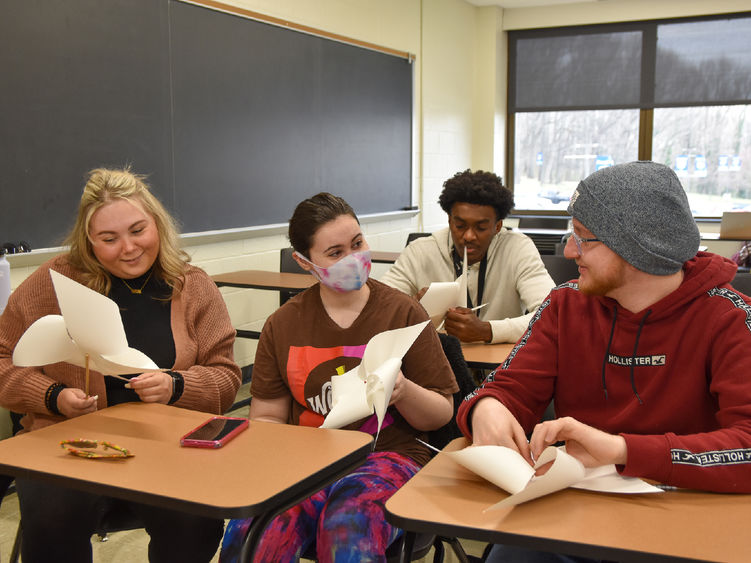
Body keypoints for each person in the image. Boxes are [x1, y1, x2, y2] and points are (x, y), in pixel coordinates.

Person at [456, 161, 751, 562]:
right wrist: (486, 409)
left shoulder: (730, 319)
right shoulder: (565, 305)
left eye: (584, 238)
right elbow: (508, 388)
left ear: (639, 248)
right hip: (572, 511)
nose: (569, 250)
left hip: (686, 516)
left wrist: (622, 450)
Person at [0, 167, 242, 563]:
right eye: (108, 239)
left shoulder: (193, 286)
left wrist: (175, 386)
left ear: (158, 225)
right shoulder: (52, 281)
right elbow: (2, 359)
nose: (128, 248)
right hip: (69, 444)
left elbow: (227, 378)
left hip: (168, 444)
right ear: (88, 240)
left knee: (193, 520)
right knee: (52, 515)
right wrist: (53, 396)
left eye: (138, 230)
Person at [220, 192, 458, 563]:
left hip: (390, 456)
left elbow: (442, 412)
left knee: (348, 526)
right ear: (304, 262)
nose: (353, 258)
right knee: (251, 531)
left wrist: (403, 391)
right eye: (335, 253)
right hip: (308, 461)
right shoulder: (283, 324)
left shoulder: (402, 312)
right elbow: (267, 416)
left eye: (357, 243)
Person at [380, 169, 555, 344]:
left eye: (481, 227)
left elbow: (552, 315)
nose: (469, 236)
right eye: (460, 225)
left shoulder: (517, 249)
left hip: (497, 367)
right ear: (449, 221)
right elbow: (378, 306)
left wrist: (488, 330)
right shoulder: (420, 252)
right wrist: (411, 306)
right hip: (437, 364)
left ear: (498, 226)